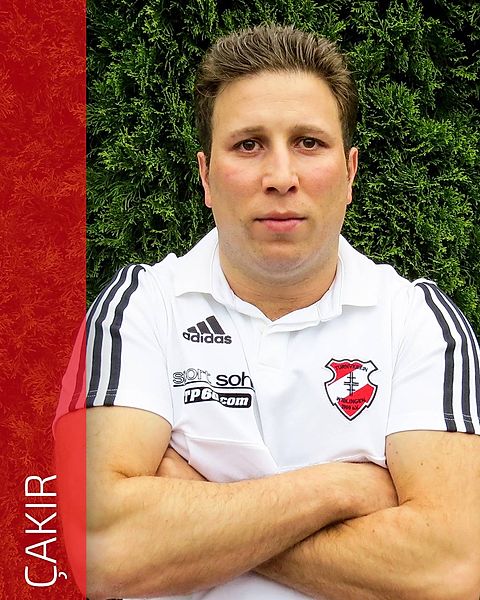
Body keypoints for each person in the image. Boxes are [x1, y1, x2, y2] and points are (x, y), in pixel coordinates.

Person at [55, 24, 480, 600]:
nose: (281, 178)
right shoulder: (135, 310)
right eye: (248, 145)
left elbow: (451, 570)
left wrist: (198, 503)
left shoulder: (421, 323)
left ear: (350, 173)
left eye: (309, 142)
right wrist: (343, 488)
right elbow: (101, 550)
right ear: (206, 177)